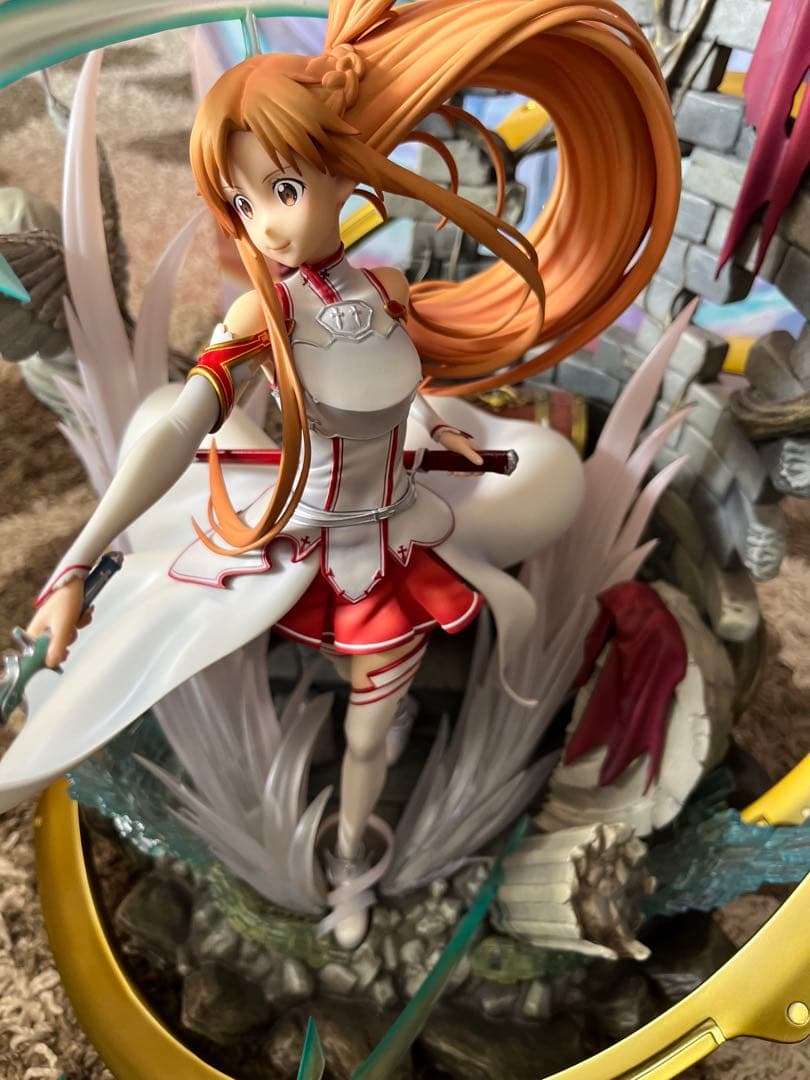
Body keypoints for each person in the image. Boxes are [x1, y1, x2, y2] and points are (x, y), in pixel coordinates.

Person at [0, 0, 679, 947]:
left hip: (394, 540)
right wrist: (76, 558)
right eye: (243, 205)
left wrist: (444, 431)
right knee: (181, 645)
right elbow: (180, 422)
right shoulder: (261, 316)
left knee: (369, 734)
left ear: (337, 170)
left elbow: (402, 389)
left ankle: (352, 870)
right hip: (301, 532)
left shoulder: (386, 292)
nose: (266, 229)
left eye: (280, 190)